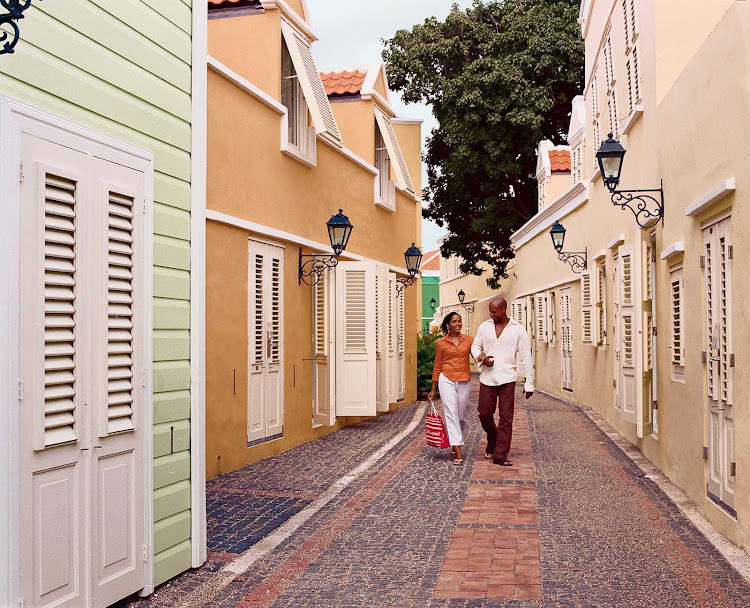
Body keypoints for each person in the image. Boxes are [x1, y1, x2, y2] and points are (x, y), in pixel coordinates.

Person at [471, 297, 534, 466]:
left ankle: (500, 455)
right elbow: (475, 345)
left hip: (507, 377)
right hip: (487, 378)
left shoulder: (518, 330)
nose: (491, 314)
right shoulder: (484, 326)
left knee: (506, 417)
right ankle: (493, 437)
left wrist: (529, 383)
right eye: (490, 311)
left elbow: (526, 357)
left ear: (504, 309)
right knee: (484, 413)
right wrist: (481, 358)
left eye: (494, 311)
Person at [428, 312, 473, 465]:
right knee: (451, 413)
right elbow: (437, 365)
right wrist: (433, 389)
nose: (458, 324)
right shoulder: (441, 343)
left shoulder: (469, 340)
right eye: (454, 321)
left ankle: (457, 441)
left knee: (462, 414)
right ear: (448, 324)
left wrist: (483, 358)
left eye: (459, 321)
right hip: (446, 379)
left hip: (464, 380)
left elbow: (477, 354)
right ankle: (457, 448)